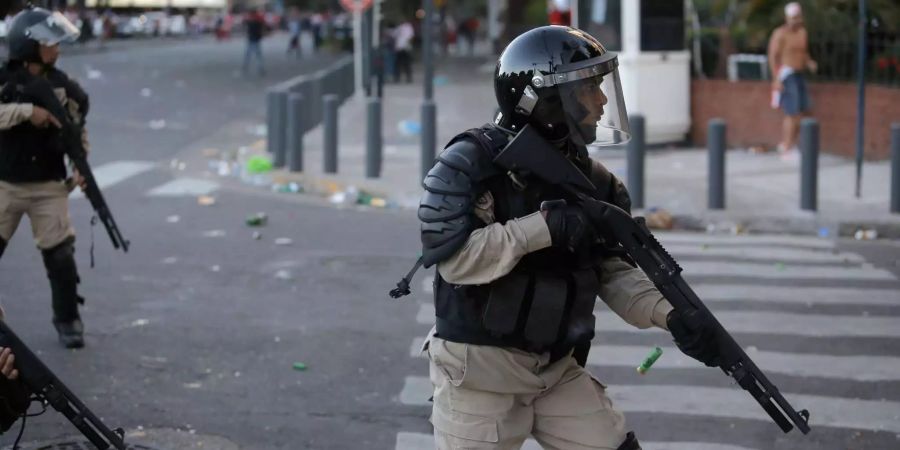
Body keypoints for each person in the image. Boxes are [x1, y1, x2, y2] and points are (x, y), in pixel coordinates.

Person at [417, 25, 722, 449]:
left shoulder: (594, 181)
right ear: (540, 100)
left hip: (556, 369)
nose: (600, 101)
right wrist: (542, 230)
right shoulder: (470, 165)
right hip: (479, 375)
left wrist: (670, 314)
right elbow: (457, 262)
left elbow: (612, 270)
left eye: (600, 87)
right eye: (587, 89)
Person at [0, 6, 91, 349]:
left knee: (61, 257)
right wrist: (27, 112)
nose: (57, 49)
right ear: (29, 45)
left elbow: (76, 128)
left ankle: (68, 318)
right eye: (50, 42)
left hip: (48, 186)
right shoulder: (4, 79)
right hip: (5, 184)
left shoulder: (63, 86)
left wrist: (81, 165)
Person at [767, 2, 817, 156]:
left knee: (802, 111)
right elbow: (773, 57)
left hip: (799, 73)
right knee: (791, 112)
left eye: (798, 17)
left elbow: (804, 52)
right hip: (787, 74)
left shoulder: (802, 32)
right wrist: (776, 79)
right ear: (787, 18)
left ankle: (793, 144)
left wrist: (809, 62)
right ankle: (786, 145)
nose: (796, 21)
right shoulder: (780, 33)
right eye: (793, 18)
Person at [242, 7, 268, 77]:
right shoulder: (258, 19)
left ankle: (247, 66)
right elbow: (263, 26)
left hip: (252, 38)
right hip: (256, 38)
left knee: (249, 53)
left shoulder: (252, 19)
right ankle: (260, 67)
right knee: (257, 54)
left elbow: (245, 24)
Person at [392, 19, 414, 83]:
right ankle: (407, 78)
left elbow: (394, 36)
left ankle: (398, 78)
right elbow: (411, 37)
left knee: (399, 64)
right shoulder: (407, 27)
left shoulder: (402, 27)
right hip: (404, 48)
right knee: (406, 64)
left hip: (401, 48)